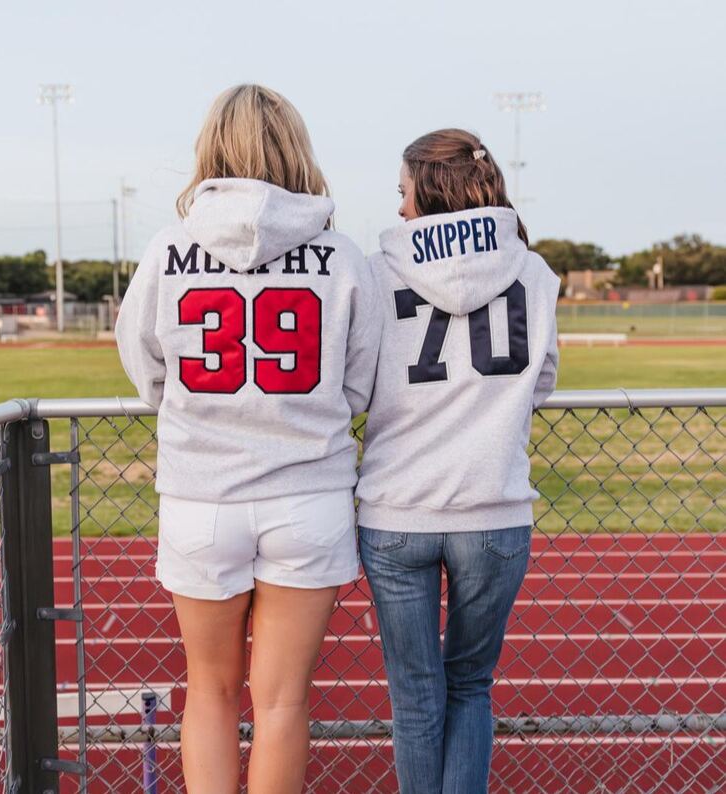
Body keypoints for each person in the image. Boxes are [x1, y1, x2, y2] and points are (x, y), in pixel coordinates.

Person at [115, 84, 382, 794]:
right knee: (283, 702)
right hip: (309, 494)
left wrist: (205, 414)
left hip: (202, 496)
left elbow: (146, 366)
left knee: (209, 692)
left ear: (211, 148)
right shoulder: (342, 255)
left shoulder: (168, 249)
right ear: (296, 148)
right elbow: (360, 381)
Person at [356, 128, 560, 794]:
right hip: (493, 505)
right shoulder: (533, 271)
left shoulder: (377, 270)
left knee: (416, 696)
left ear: (430, 188)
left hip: (397, 509)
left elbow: (356, 383)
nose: (400, 208)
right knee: (470, 684)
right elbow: (542, 380)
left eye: (404, 191)